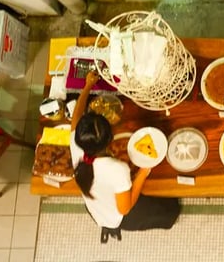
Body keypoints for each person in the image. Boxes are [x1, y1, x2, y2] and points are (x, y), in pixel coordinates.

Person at [70, 70, 180, 233]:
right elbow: (125, 209)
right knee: (170, 210)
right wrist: (144, 171)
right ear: (110, 139)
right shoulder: (116, 169)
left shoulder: (78, 142)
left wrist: (87, 86)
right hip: (116, 217)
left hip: (96, 205)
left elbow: (76, 117)